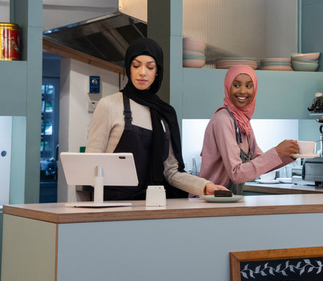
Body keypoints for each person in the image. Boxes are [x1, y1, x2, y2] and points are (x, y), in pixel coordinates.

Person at [86, 37, 227, 199]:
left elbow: (172, 173)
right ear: (128, 68)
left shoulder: (164, 114)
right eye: (136, 65)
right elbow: (91, 166)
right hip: (113, 207)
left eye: (150, 67)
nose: (142, 72)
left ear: (157, 71)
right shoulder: (109, 105)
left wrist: (205, 186)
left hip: (152, 205)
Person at [199, 65, 299, 194]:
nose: (242, 91)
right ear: (227, 87)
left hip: (227, 199)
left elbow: (258, 161)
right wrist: (277, 151)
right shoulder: (222, 120)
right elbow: (236, 174)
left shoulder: (243, 122)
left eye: (248, 86)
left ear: (255, 89)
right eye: (236, 85)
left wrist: (287, 155)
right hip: (209, 200)